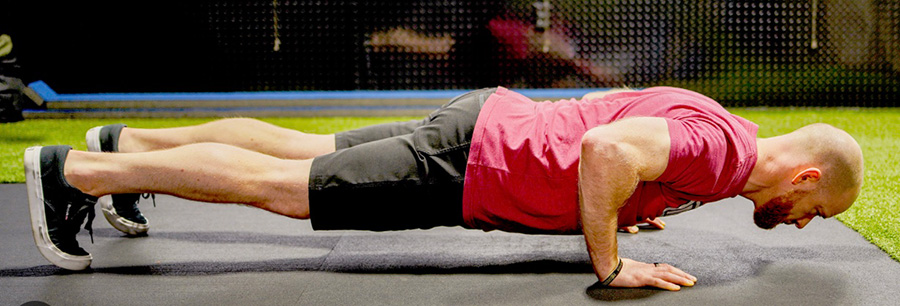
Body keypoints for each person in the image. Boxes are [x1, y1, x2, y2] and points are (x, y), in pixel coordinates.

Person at [23, 86, 864, 291]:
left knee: (297, 151)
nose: (798, 226)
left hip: (484, 126)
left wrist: (627, 208)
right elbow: (609, 147)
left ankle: (124, 148)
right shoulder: (722, 153)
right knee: (283, 188)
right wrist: (607, 261)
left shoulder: (717, 132)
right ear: (808, 177)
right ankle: (78, 174)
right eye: (812, 212)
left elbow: (629, 151)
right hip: (479, 163)